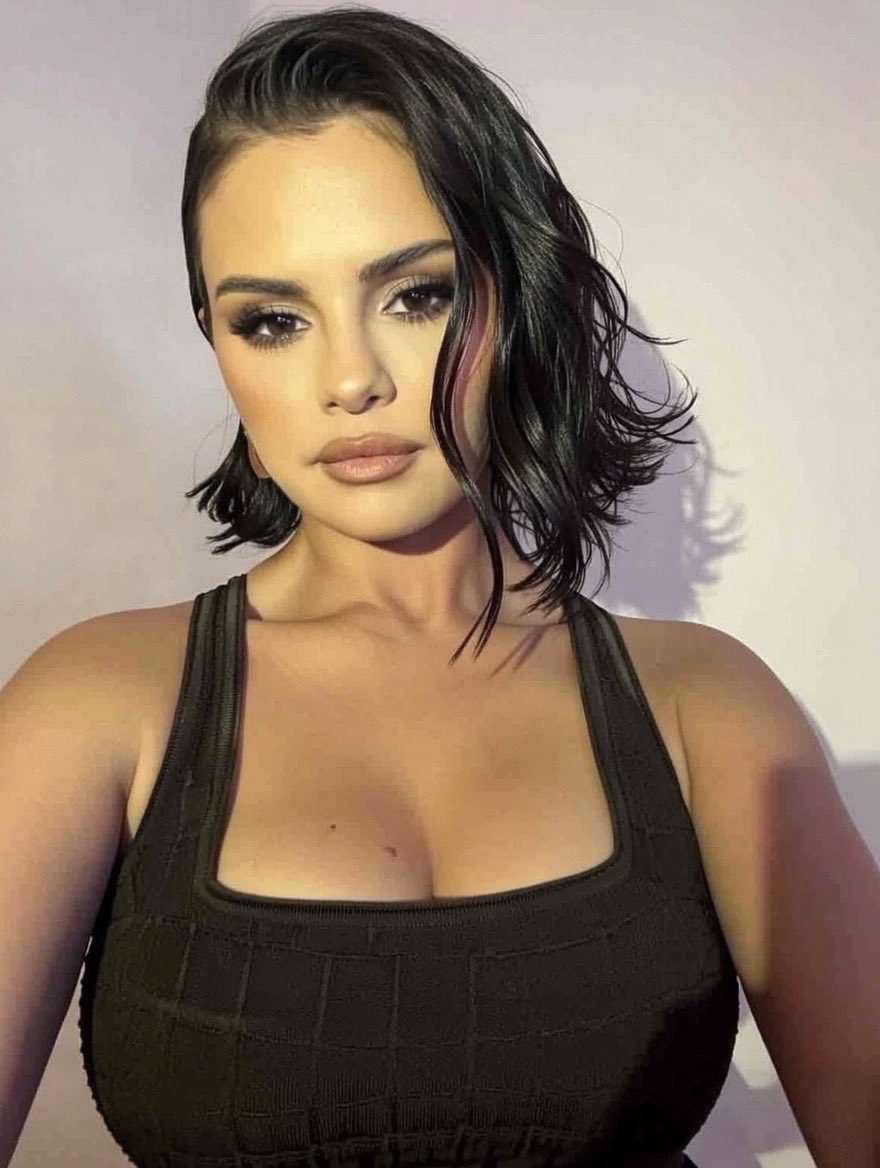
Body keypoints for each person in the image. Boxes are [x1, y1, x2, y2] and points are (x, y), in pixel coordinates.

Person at [6, 7, 728, 1168]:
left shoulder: (705, 704)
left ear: (516, 292)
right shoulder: (94, 702)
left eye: (415, 295)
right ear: (217, 342)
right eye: (272, 320)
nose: (348, 380)